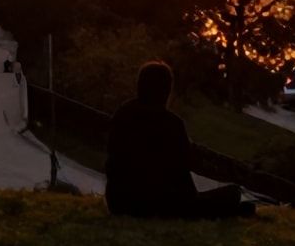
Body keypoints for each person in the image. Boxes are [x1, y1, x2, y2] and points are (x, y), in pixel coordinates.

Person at [105, 61, 251, 218]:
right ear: (166, 90)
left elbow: (113, 160)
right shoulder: (172, 124)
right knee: (232, 193)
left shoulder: (123, 113)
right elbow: (183, 172)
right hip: (160, 205)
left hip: (118, 202)